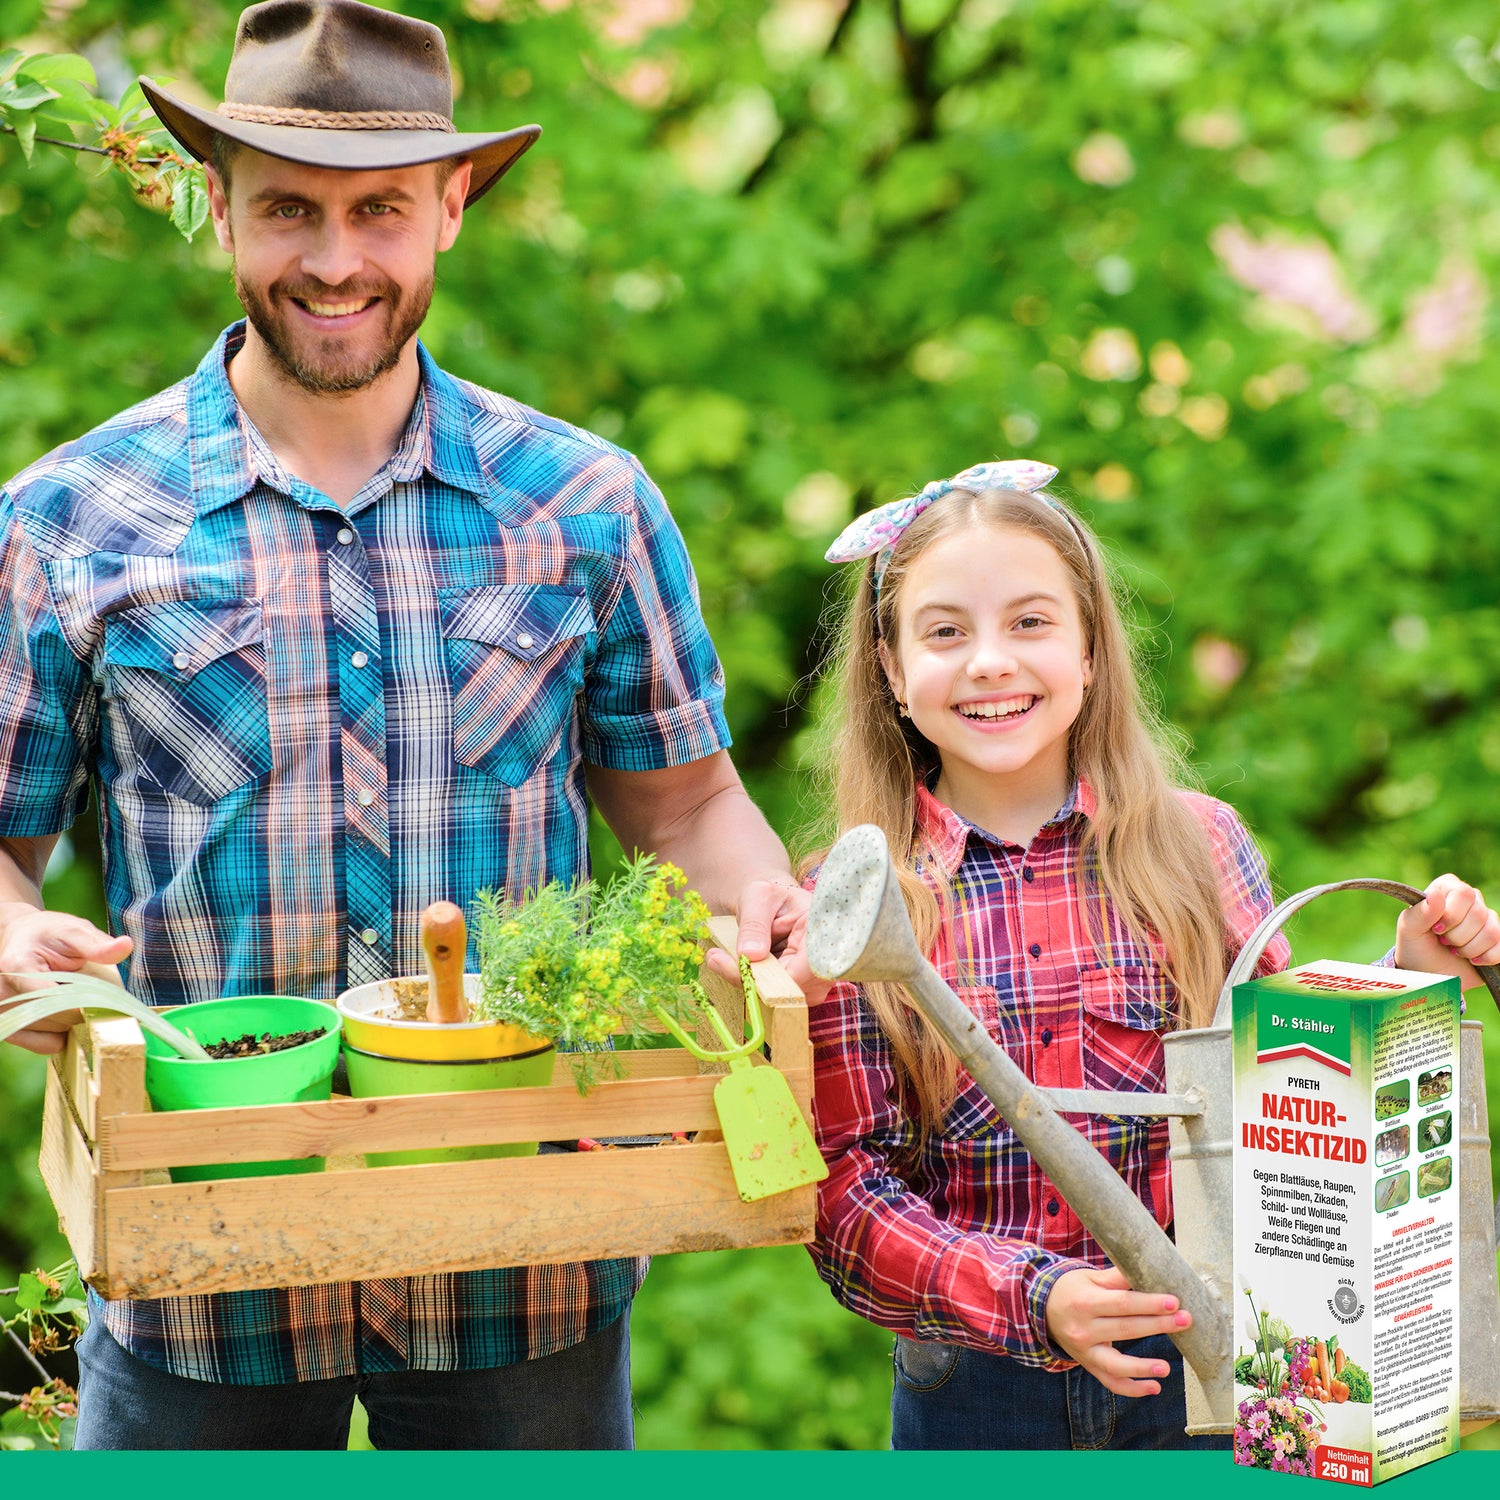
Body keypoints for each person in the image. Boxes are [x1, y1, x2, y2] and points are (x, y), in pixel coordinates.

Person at [0, 0, 808, 1451]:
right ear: (219, 208)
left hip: (525, 1252)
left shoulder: (583, 504)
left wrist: (769, 910)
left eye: (378, 209)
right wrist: (11, 934)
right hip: (206, 1253)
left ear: (450, 207)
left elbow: (685, 808)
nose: (332, 258)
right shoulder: (69, 518)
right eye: (286, 210)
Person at [802, 458, 1500, 1450]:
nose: (990, 661)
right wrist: (1034, 1297)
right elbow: (844, 1196)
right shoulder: (854, 897)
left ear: (1091, 649)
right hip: (977, 1391)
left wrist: (1407, 971)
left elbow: (1289, 1115)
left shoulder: (1196, 847)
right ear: (889, 669)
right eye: (945, 631)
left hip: (1211, 1376)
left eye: (1031, 623)